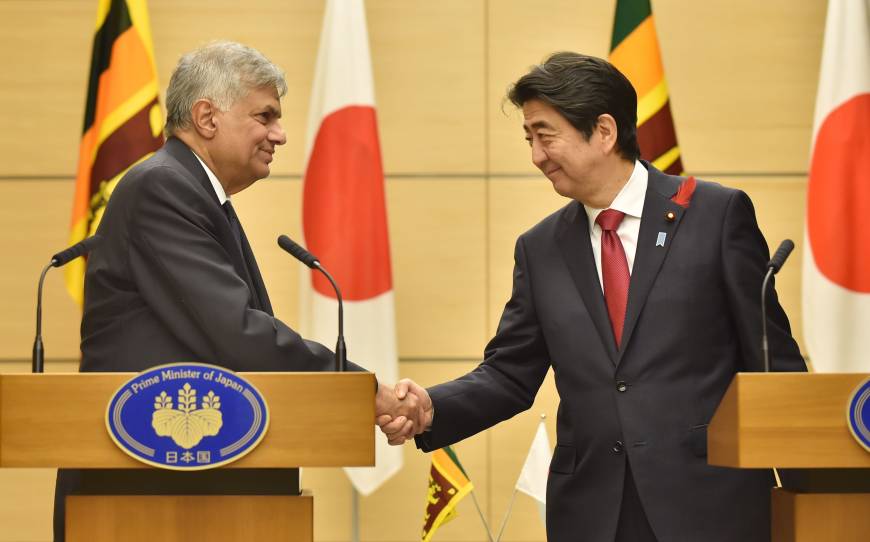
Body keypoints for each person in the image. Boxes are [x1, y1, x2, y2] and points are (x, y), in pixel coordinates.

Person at [378, 52, 806, 542]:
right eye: (529, 139)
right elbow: (511, 373)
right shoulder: (540, 249)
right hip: (593, 515)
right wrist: (432, 407)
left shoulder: (715, 215)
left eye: (545, 134)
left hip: (709, 507)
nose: (536, 155)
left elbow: (773, 365)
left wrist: (814, 492)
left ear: (603, 131)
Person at [54, 41, 422, 542]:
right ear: (207, 117)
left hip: (191, 485)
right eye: (265, 116)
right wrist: (359, 389)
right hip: (151, 486)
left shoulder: (193, 190)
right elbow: (235, 331)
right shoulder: (163, 187)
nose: (281, 135)